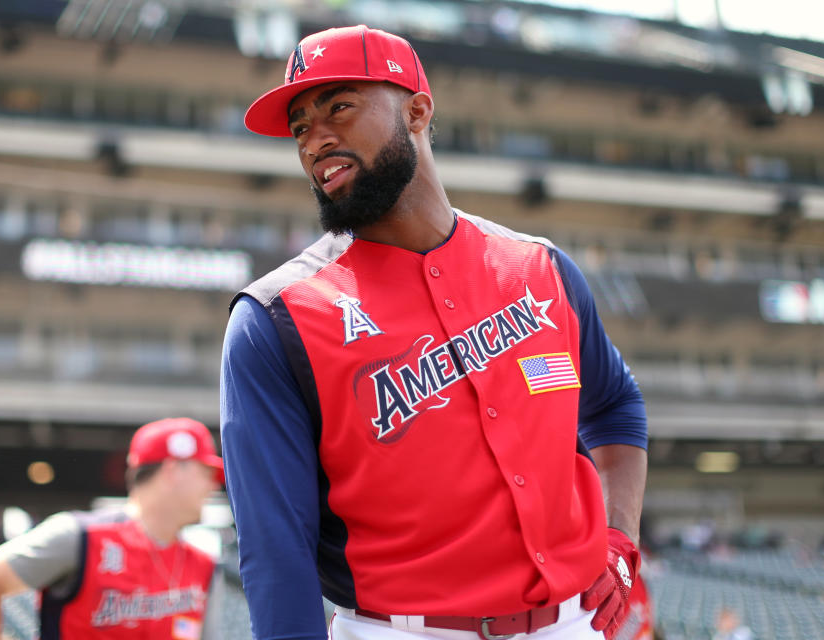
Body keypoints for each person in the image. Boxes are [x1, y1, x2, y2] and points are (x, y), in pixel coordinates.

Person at [221, 24, 648, 640]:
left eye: (338, 106)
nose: (316, 140)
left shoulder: (542, 268)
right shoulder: (273, 317)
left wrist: (618, 541)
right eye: (300, 128)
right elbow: (274, 548)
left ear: (417, 111)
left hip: (574, 623)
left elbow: (615, 407)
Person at [0, 417, 226, 640]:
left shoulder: (202, 564)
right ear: (172, 471)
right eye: (206, 474)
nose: (213, 486)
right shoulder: (81, 536)